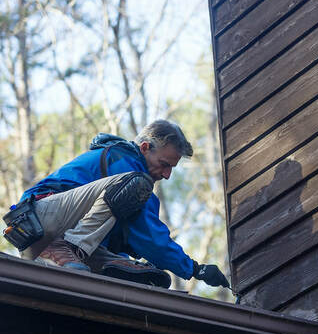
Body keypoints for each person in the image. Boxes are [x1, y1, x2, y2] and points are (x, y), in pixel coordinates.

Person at [13, 120, 229, 289]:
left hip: (57, 235)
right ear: (145, 147)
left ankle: (80, 257)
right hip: (37, 218)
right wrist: (194, 269)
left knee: (138, 274)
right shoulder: (123, 162)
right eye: (164, 165)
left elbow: (132, 235)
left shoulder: (126, 186)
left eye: (171, 168)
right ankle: (62, 250)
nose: (167, 175)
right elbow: (149, 235)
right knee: (136, 185)